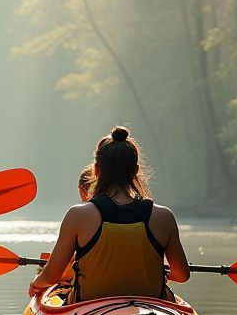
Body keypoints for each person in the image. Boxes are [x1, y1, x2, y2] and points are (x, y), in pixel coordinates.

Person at [29, 126, 190, 302]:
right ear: (136, 171)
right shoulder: (163, 216)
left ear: (96, 170)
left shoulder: (78, 215)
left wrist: (36, 283)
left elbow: (51, 277)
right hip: (149, 307)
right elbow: (182, 275)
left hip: (88, 308)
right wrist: (164, 274)